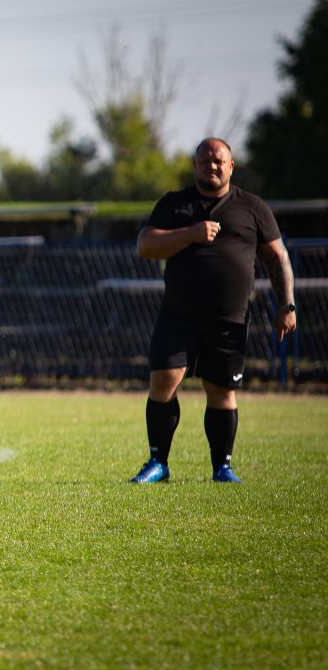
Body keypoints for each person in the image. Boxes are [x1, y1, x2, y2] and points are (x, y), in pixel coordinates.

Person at [130, 138, 296, 484]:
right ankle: (158, 463)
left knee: (221, 389)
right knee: (164, 378)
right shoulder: (175, 205)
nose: (212, 166)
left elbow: (277, 257)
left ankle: (223, 467)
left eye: (219, 161)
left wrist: (287, 305)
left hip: (228, 320)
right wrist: (191, 233)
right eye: (205, 161)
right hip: (179, 315)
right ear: (194, 167)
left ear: (231, 166)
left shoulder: (252, 207)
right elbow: (145, 245)